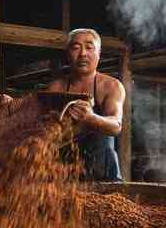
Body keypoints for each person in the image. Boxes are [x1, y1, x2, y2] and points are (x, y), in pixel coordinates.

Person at [46, 28, 126, 181]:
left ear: (99, 53)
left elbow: (116, 125)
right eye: (76, 47)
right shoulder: (56, 87)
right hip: (64, 175)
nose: (83, 53)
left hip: (103, 174)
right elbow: (44, 127)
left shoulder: (111, 86)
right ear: (68, 53)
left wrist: (90, 118)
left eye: (89, 47)